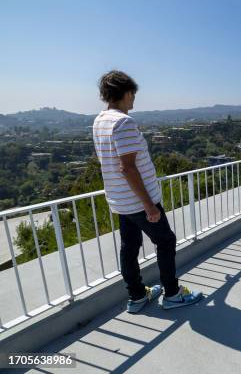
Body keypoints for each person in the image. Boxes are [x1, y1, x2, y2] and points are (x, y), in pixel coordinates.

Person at [93, 70, 202, 313]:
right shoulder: (123, 122)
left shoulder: (100, 120)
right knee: (166, 241)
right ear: (126, 92)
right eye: (133, 94)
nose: (134, 100)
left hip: (121, 201)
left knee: (129, 247)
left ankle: (137, 296)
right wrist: (149, 205)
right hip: (139, 202)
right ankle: (172, 294)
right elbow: (128, 168)